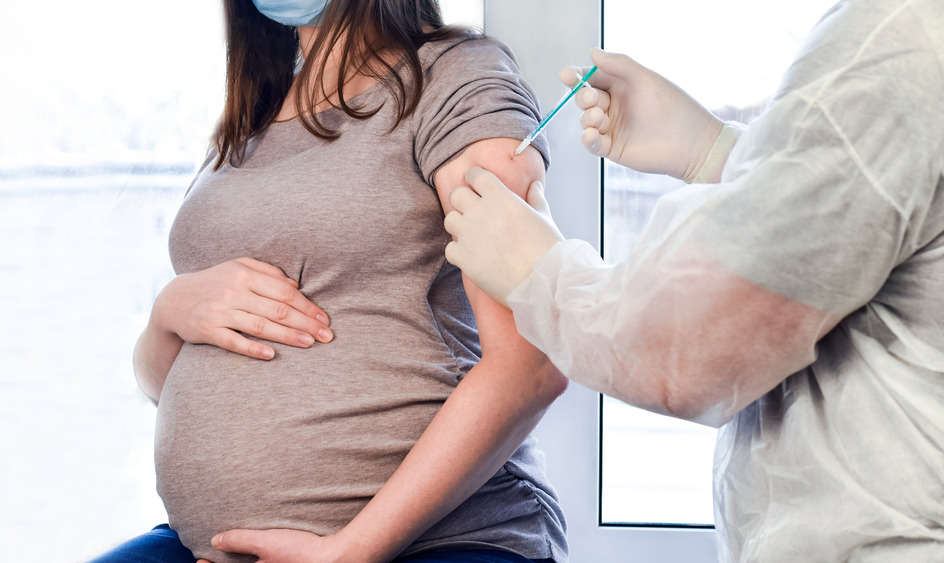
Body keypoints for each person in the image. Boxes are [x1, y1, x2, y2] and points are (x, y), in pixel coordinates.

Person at [443, 0, 944, 561]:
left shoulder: (902, 36)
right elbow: (864, 215)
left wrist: (544, 276)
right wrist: (719, 153)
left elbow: (688, 349)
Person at [90, 1, 570, 562]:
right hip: (206, 544)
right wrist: (168, 314)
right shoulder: (258, 107)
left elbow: (534, 361)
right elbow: (161, 384)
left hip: (438, 541)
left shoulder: (457, 77)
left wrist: (349, 552)